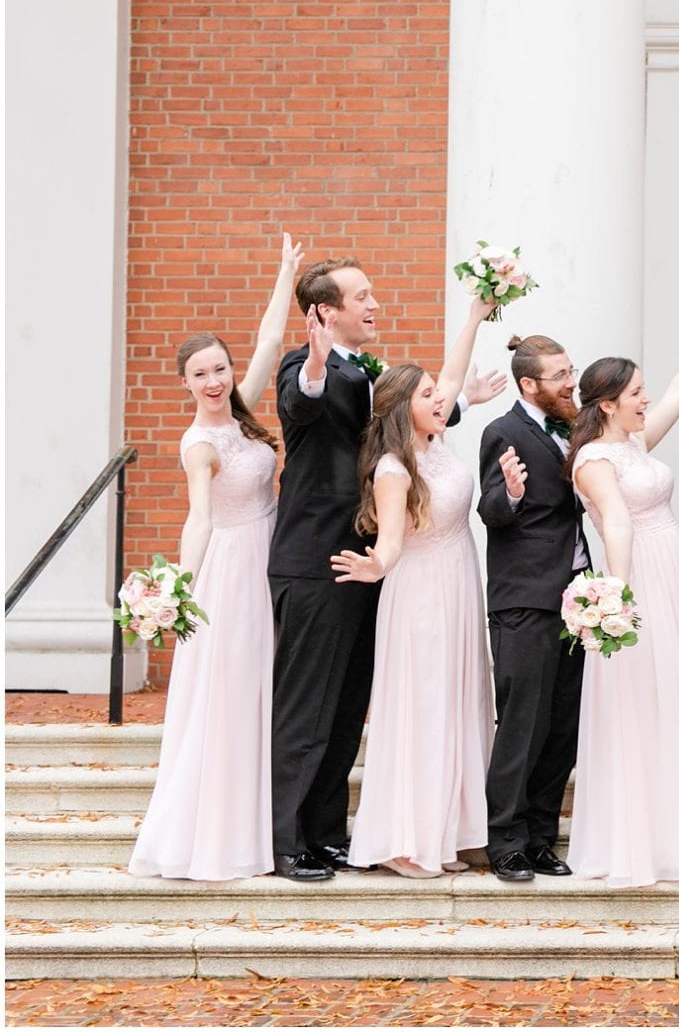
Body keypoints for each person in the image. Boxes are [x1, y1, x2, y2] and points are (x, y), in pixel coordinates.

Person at [266, 255, 501, 881]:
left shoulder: (372, 380)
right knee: (306, 707)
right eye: (361, 295)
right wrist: (314, 361)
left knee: (345, 708)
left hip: (375, 564)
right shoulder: (306, 366)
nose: (375, 304)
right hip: (319, 562)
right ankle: (286, 841)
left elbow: (433, 398)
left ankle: (324, 834)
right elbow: (301, 401)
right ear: (325, 313)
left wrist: (473, 323)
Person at [130, 237, 300, 881]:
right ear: (184, 383)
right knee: (230, 691)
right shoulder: (200, 443)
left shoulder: (244, 415)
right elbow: (199, 517)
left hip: (269, 553)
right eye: (200, 373)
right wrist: (177, 585)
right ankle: (218, 837)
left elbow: (266, 343)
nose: (214, 380)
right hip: (229, 569)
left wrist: (284, 273)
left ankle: (261, 823)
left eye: (218, 369)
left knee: (264, 688)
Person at [330, 295, 497, 878]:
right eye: (427, 395)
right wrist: (375, 566)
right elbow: (394, 542)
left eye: (436, 393)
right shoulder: (395, 469)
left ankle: (450, 831)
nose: (440, 398)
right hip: (420, 594)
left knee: (458, 702)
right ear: (404, 409)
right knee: (424, 707)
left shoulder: (436, 442)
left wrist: (474, 316)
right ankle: (405, 838)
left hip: (458, 584)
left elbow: (453, 375)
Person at [566, 313, 679, 887]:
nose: (644, 400)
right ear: (607, 403)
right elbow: (614, 523)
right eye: (635, 393)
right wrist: (619, 591)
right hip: (640, 577)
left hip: (674, 571)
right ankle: (641, 839)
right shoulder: (594, 460)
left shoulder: (633, 442)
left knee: (676, 692)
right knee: (644, 697)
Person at [476, 334, 592, 883]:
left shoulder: (572, 426)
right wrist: (514, 493)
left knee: (561, 726)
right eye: (560, 375)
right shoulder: (503, 431)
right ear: (529, 384)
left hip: (577, 600)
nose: (571, 381)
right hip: (524, 600)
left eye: (571, 369)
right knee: (523, 723)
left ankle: (543, 837)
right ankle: (507, 841)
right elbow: (490, 509)